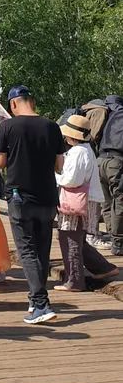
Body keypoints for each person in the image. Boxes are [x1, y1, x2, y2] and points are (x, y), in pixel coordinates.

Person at [0, 86, 66, 324]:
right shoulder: (52, 127)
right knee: (42, 250)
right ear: (31, 102)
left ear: (13, 104)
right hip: (47, 197)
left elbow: (1, 163)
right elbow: (58, 165)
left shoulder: (7, 127)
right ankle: (36, 301)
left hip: (20, 197)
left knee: (26, 251)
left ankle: (41, 304)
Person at [55, 114, 119, 291]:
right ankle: (104, 268)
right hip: (87, 200)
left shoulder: (77, 152)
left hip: (76, 201)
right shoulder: (87, 150)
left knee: (69, 238)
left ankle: (74, 280)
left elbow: (71, 180)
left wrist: (54, 176)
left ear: (70, 135)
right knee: (79, 239)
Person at [98, 95, 123, 258]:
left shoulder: (104, 115)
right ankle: (119, 243)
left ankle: (111, 236)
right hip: (116, 161)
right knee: (119, 200)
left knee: (106, 201)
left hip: (100, 161)